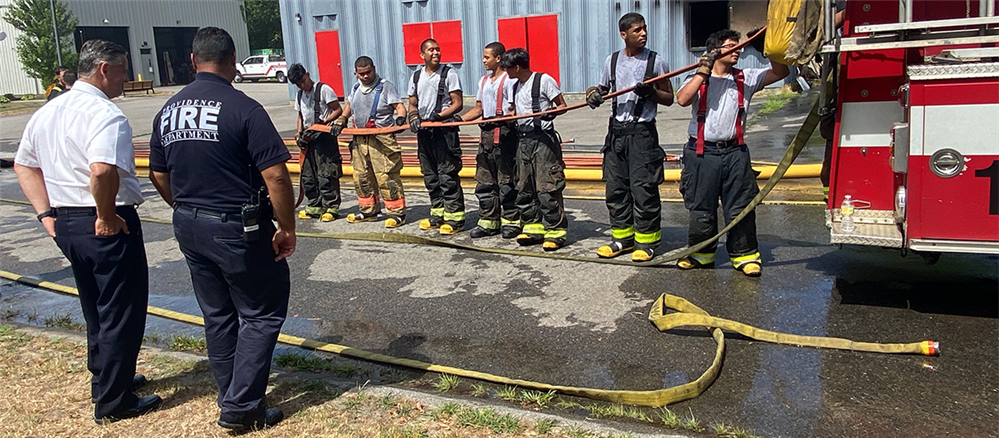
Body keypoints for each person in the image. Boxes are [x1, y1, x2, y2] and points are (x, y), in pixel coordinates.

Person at [148, 27, 295, 431]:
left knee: (218, 315)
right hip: (235, 228)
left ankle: (230, 392)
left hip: (189, 223)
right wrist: (286, 228)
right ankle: (241, 408)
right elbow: (276, 177)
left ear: (193, 61)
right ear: (233, 60)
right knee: (261, 313)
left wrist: (182, 206)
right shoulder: (243, 109)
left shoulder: (168, 111)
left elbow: (157, 172)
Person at [14, 39, 161, 424]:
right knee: (121, 310)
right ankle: (115, 401)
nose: (126, 78)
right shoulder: (105, 114)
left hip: (66, 221)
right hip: (103, 221)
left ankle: (107, 377)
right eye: (124, 70)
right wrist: (107, 213)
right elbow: (101, 169)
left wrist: (46, 214)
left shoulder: (50, 110)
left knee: (95, 308)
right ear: (104, 70)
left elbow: (24, 165)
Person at [674, 29, 789, 277]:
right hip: (702, 154)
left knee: (741, 207)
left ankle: (745, 256)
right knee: (701, 208)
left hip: (735, 153)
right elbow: (682, 99)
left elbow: (781, 72)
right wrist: (703, 70)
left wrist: (767, 49)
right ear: (714, 51)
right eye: (730, 46)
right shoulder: (697, 78)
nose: (737, 50)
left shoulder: (745, 78)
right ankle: (701, 254)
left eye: (739, 46)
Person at [585, 12, 675, 262]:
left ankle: (647, 242)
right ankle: (621, 239)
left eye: (644, 29)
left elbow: (670, 98)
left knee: (643, 189)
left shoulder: (656, 62)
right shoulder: (611, 61)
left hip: (642, 135)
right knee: (616, 189)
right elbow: (601, 88)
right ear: (623, 35)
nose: (643, 33)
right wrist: (592, 94)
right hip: (616, 134)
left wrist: (652, 93)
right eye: (637, 30)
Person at [500, 48, 569, 250]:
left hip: (543, 141)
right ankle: (533, 228)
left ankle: (556, 231)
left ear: (517, 67)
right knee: (524, 186)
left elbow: (562, 105)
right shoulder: (513, 86)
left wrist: (551, 114)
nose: (506, 72)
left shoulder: (544, 80)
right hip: (522, 140)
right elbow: (513, 110)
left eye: (508, 68)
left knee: (547, 186)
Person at [330, 56, 409, 227]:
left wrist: (401, 118)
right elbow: (349, 105)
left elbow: (400, 107)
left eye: (368, 72)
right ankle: (368, 211)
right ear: (356, 74)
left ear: (374, 69)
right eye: (361, 74)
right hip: (360, 139)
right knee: (361, 175)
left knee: (386, 176)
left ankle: (396, 213)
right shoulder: (356, 87)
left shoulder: (386, 87)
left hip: (381, 139)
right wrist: (342, 119)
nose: (365, 76)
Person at [461, 42, 520, 239]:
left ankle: (511, 221)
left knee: (507, 181)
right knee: (485, 180)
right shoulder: (484, 81)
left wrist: (509, 117)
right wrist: (457, 121)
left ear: (498, 58)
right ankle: (489, 221)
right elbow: (478, 108)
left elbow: (514, 109)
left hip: (505, 134)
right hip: (486, 134)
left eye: (487, 57)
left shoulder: (509, 80)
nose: (483, 61)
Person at [407, 38, 466, 235]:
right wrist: (414, 117)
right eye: (431, 50)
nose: (436, 53)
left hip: (444, 131)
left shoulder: (449, 74)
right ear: (422, 55)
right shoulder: (416, 77)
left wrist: (439, 116)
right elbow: (412, 103)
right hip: (425, 133)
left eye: (438, 50)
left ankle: (454, 218)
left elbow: (457, 103)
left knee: (447, 175)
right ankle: (438, 214)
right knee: (431, 176)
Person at [288, 62, 344, 222]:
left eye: (302, 81)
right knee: (308, 174)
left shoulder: (323, 90)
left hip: (324, 136)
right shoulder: (300, 95)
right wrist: (299, 133)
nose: (302, 85)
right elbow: (300, 116)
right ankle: (314, 205)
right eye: (298, 84)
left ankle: (331, 206)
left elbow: (337, 110)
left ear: (308, 74)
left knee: (326, 172)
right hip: (308, 138)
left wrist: (322, 123)